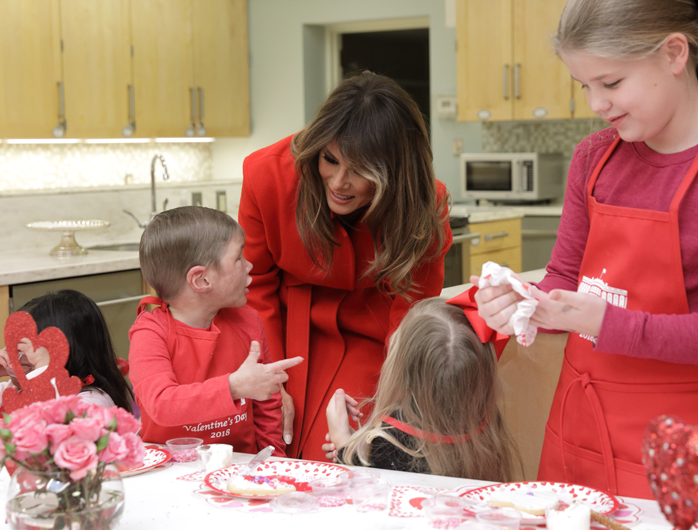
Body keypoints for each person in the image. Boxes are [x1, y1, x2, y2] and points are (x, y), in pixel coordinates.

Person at [474, 0, 698, 499]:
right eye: (584, 86)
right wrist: (523, 303)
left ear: (674, 54)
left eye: (610, 83)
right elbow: (565, 275)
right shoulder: (594, 157)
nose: (596, 104)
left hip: (692, 446)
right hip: (580, 429)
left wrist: (610, 325)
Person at [239, 72, 453, 460]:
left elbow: (411, 312)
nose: (338, 182)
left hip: (378, 334)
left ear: (394, 172)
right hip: (286, 332)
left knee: (362, 449)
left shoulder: (425, 203)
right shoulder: (265, 175)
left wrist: (395, 399)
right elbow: (256, 289)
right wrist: (271, 382)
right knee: (278, 444)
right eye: (330, 160)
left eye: (359, 170)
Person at [129, 206, 303, 454]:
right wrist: (233, 387)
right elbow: (161, 404)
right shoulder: (149, 332)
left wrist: (272, 460)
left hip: (238, 467)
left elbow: (267, 405)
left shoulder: (248, 320)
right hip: (169, 470)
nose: (249, 265)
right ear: (202, 280)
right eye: (238, 258)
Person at [321, 298, 521, 481]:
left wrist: (344, 445)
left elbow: (361, 501)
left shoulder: (384, 444)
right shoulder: (484, 427)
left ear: (401, 367)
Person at [0, 290, 133, 415]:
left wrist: (42, 370)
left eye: (24, 348)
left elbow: (46, 434)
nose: (16, 357)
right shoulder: (11, 391)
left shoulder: (93, 401)